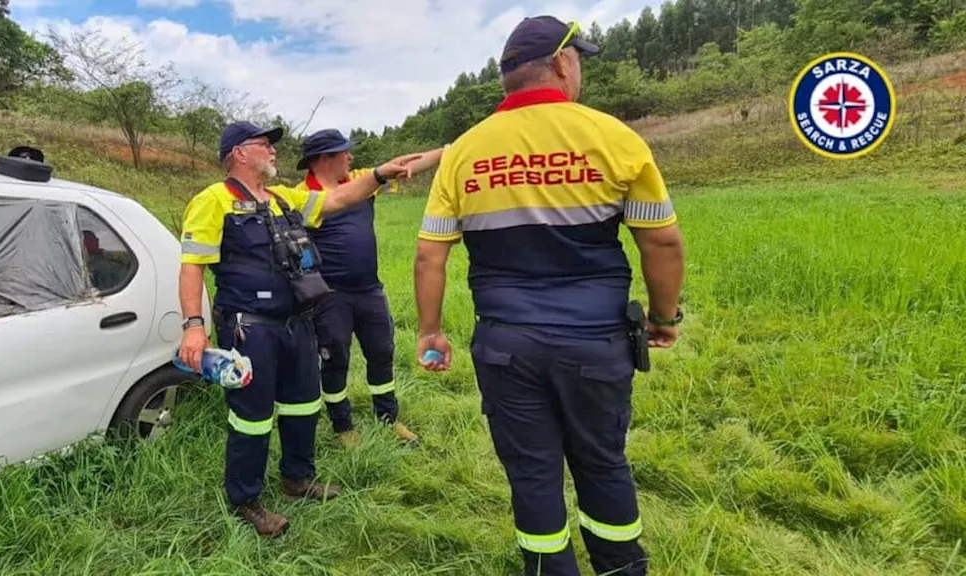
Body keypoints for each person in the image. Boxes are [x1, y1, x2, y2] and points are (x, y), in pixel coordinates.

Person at [412, 15, 685, 576]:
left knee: (532, 475)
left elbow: (429, 255)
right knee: (603, 464)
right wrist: (662, 316)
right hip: (596, 341)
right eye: (578, 59)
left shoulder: (465, 151)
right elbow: (660, 240)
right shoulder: (613, 137)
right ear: (563, 63)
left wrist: (430, 330)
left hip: (506, 345)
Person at [177, 121, 430, 538]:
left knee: (303, 405)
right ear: (239, 153)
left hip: (298, 323)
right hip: (249, 329)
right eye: (264, 145)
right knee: (252, 418)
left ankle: (298, 479)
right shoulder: (212, 201)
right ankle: (246, 500)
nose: (273, 151)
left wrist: (380, 174)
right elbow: (192, 268)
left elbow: (339, 199)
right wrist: (194, 327)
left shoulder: (282, 199)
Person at [295, 128, 443, 447]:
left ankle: (388, 418)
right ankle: (342, 426)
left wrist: (449, 149)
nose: (351, 156)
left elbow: (408, 164)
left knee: (382, 351)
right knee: (335, 358)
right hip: (329, 295)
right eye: (343, 152)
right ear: (323, 159)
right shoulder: (301, 196)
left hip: (369, 290)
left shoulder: (362, 181)